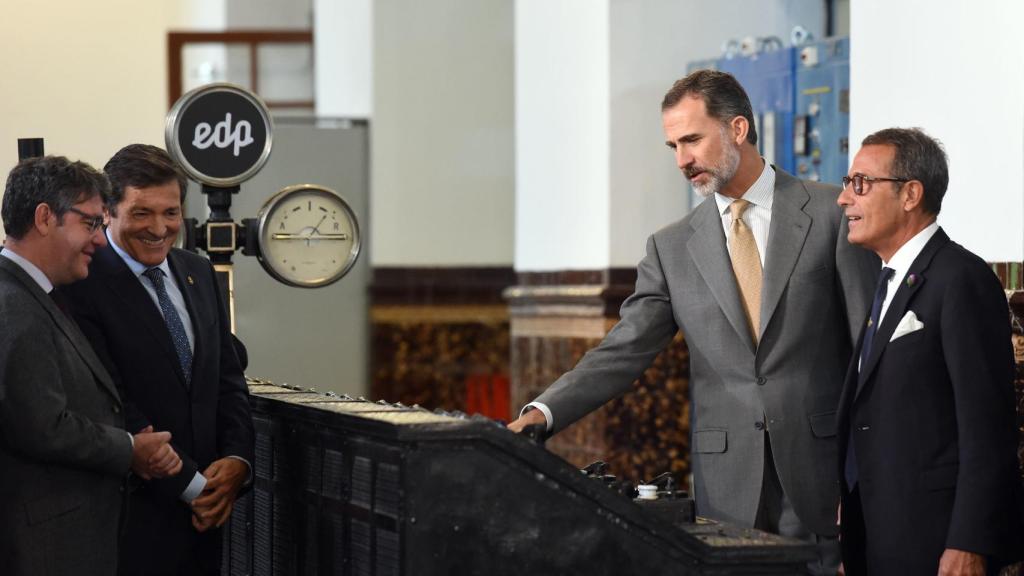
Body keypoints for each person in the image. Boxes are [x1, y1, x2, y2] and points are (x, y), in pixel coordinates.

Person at [507, 69, 878, 574]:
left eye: (692, 140)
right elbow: (624, 350)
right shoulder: (671, 247)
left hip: (821, 476)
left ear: (738, 129)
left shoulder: (831, 215)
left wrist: (866, 478)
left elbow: (869, 355)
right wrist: (542, 414)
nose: (682, 160)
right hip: (728, 485)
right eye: (673, 147)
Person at [836, 128, 1024, 575]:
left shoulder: (960, 278)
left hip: (937, 543)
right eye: (847, 183)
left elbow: (987, 426)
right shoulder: (886, 280)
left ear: (910, 194)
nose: (844, 199)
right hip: (881, 536)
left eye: (860, 183)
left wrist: (969, 541)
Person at [62, 144, 255, 575]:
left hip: (208, 522)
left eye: (170, 213)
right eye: (142, 213)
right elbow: (108, 401)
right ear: (107, 212)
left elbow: (228, 379)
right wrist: (193, 487)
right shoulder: (81, 283)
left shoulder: (199, 272)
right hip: (129, 521)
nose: (159, 228)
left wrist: (238, 462)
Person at [0, 156, 181, 575]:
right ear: (45, 218)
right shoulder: (12, 303)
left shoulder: (36, 295)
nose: (100, 240)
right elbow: (41, 426)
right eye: (91, 224)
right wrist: (132, 450)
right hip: (42, 548)